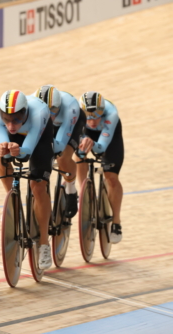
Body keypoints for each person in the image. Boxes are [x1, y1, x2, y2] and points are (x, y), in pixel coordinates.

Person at [0, 90, 54, 269]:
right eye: (7, 119)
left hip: (39, 137)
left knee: (38, 185)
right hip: (18, 138)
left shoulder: (39, 112)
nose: (11, 125)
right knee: (1, 156)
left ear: (25, 113)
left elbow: (27, 152)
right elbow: (2, 142)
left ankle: (43, 244)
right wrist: (5, 149)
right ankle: (13, 199)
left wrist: (20, 151)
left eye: (17, 119)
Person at [76, 91, 124, 244]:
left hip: (109, 137)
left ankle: (116, 222)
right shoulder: (77, 114)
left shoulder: (111, 114)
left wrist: (92, 143)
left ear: (103, 110)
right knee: (80, 153)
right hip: (87, 134)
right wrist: (84, 141)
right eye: (88, 116)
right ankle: (83, 191)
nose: (93, 120)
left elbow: (101, 148)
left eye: (97, 115)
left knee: (111, 177)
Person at [34, 85, 86, 218]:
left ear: (59, 105)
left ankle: (71, 190)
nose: (49, 114)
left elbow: (60, 145)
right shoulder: (32, 104)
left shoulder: (70, 107)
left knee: (62, 157)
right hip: (48, 126)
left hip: (71, 124)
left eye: (53, 110)